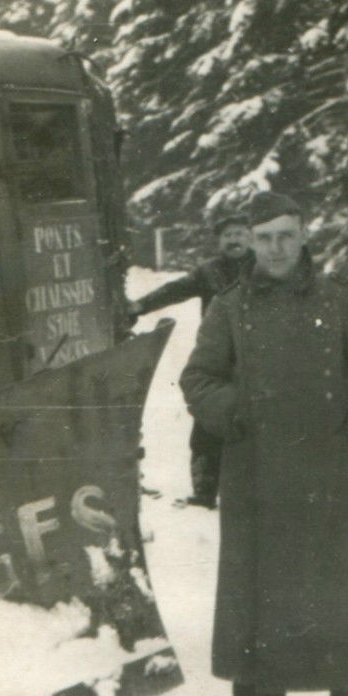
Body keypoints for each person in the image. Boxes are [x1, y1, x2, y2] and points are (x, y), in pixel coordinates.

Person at [180, 192, 348, 696]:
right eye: (264, 238)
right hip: (256, 466)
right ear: (251, 243)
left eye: (286, 235)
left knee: (342, 581)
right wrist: (236, 412)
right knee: (257, 585)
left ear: (304, 235)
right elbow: (199, 378)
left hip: (332, 463)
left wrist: (346, 404)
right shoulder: (230, 307)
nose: (276, 248)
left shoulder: (341, 298)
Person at [128, 211, 254, 508]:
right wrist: (140, 306)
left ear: (251, 238)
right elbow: (176, 290)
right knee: (208, 420)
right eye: (227, 235)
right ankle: (205, 490)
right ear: (218, 241)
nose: (233, 240)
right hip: (216, 358)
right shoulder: (209, 272)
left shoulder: (265, 269)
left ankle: (255, 492)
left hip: (257, 356)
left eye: (239, 234)